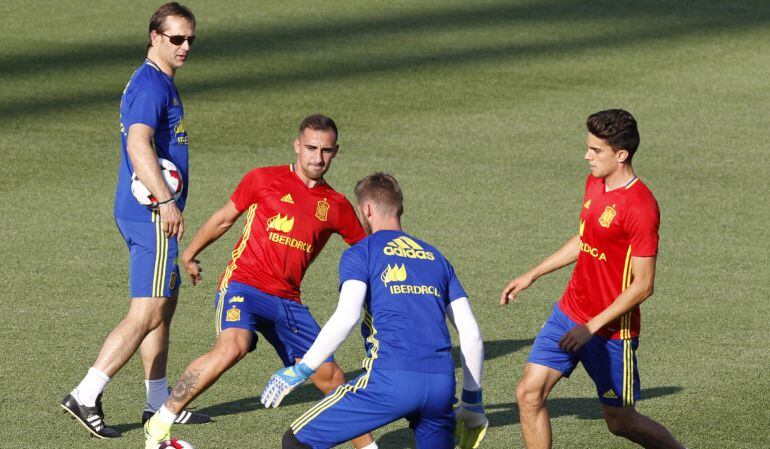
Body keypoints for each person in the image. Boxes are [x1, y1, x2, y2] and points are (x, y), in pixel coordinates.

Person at [144, 115, 377, 449]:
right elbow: (225, 218)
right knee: (233, 346)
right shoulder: (263, 178)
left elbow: (367, 250)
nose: (317, 157)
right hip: (244, 285)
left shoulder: (336, 206)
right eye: (310, 148)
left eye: (326, 150)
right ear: (297, 146)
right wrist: (190, 253)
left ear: (335, 152)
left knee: (333, 379)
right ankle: (161, 420)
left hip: (288, 302)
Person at [61, 3, 209, 439]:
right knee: (146, 311)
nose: (185, 47)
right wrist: (166, 202)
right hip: (151, 215)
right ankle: (86, 394)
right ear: (154, 37)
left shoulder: (156, 80)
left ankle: (157, 402)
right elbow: (138, 146)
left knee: (163, 305)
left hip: (143, 212)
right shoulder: (151, 87)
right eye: (176, 39)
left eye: (190, 39)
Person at [259, 173, 487, 449]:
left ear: (366, 209)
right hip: (441, 386)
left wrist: (303, 369)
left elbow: (348, 316)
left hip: (390, 382)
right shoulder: (436, 257)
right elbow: (471, 333)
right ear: (400, 207)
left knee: (296, 442)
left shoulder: (362, 253)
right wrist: (473, 401)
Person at [500, 109, 685, 448]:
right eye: (588, 147)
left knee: (620, 421)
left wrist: (591, 327)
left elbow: (644, 285)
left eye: (595, 150)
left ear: (621, 154)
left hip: (612, 331)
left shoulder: (641, 207)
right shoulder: (595, 182)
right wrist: (534, 273)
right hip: (569, 311)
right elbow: (587, 239)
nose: (587, 156)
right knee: (528, 394)